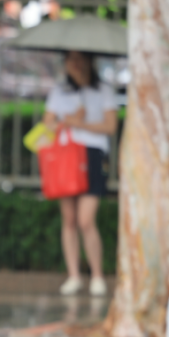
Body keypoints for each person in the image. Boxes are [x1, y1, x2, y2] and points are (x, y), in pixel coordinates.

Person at [42, 50, 118, 297]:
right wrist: (67, 121)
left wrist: (80, 123)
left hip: (93, 155)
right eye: (70, 59)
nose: (75, 64)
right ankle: (74, 275)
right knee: (70, 218)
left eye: (80, 59)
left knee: (86, 220)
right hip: (66, 157)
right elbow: (47, 124)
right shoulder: (60, 91)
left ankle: (97, 275)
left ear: (89, 61)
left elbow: (110, 126)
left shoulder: (103, 90)